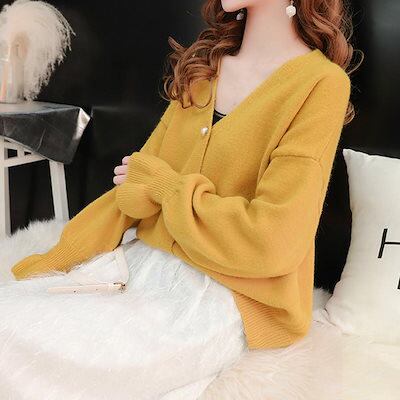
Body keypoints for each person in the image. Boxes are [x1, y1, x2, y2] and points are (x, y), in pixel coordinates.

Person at [2, 0, 360, 398]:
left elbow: (274, 239)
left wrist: (166, 189)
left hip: (224, 297)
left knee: (26, 351)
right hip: (143, 266)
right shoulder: (206, 66)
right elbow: (131, 193)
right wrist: (55, 261)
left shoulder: (320, 84)